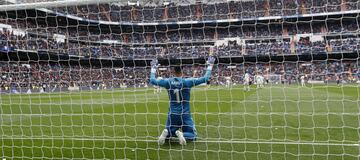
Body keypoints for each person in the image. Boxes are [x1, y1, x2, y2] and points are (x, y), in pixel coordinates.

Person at [149, 57, 215, 145]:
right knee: (193, 135)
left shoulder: (167, 82)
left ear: (173, 71)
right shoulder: (187, 82)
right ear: (182, 71)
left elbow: (152, 80)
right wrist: (210, 65)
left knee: (170, 131)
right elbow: (205, 78)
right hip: (185, 113)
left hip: (173, 113)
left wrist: (153, 68)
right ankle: (182, 134)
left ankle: (166, 134)